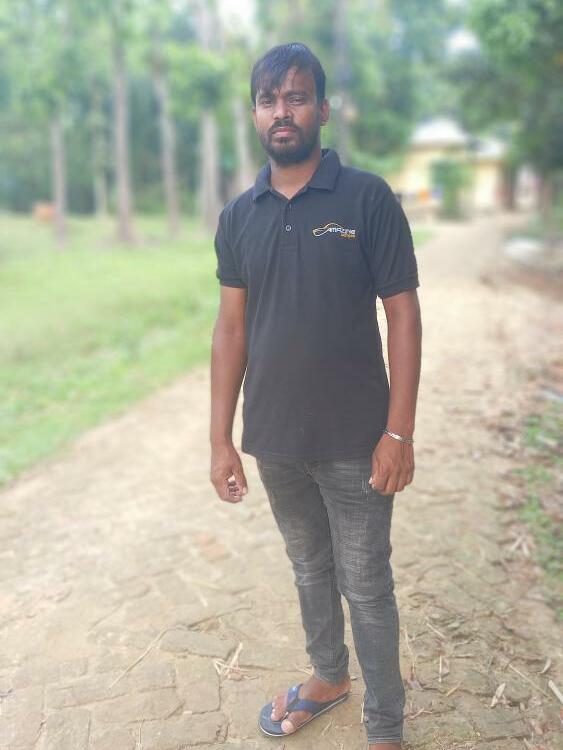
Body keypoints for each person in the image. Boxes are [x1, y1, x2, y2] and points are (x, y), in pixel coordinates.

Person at [210, 42, 422, 750]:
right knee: (308, 568)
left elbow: (402, 314)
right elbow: (231, 329)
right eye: (269, 100)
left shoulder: (366, 198)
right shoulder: (239, 216)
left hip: (357, 440)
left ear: (322, 110)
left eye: (296, 97)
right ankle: (328, 677)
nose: (282, 112)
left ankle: (385, 728)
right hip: (275, 439)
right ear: (254, 114)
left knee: (366, 586)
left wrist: (398, 432)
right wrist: (220, 439)